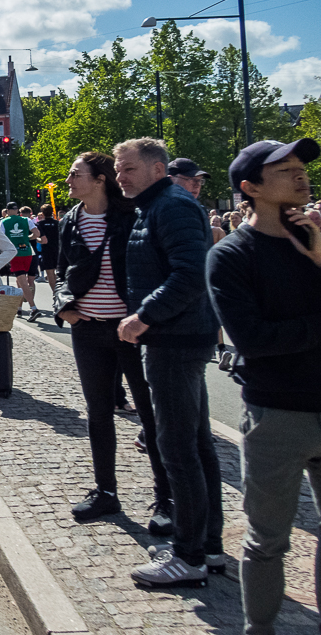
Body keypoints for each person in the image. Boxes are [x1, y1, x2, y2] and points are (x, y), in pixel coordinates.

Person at [206, 138, 321, 631]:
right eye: (286, 169)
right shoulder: (232, 255)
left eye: (302, 167)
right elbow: (254, 339)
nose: (301, 175)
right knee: (268, 540)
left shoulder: (314, 241)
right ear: (249, 188)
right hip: (277, 414)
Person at [115, 138, 223, 588]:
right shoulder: (158, 203)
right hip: (179, 337)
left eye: (128, 169)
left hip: (175, 340)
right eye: (118, 170)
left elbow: (190, 274)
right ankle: (207, 546)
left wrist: (144, 316)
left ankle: (189, 555)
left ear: (157, 170)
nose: (120, 176)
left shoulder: (171, 206)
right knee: (197, 447)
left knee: (178, 450)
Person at [53, 153, 171, 535]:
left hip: (132, 330)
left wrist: (143, 316)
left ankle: (165, 497)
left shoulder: (130, 215)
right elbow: (58, 274)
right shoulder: (70, 220)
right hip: (87, 330)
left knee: (149, 415)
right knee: (98, 412)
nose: (69, 180)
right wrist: (63, 308)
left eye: (75, 174)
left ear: (100, 179)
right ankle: (106, 491)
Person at [0, 203, 42, 322]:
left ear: (7, 211)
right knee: (20, 280)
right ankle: (19, 307)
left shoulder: (4, 222)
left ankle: (33, 308)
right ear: (17, 210)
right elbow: (37, 234)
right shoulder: (26, 219)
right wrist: (27, 238)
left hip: (15, 254)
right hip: (27, 252)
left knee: (23, 282)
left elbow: (0, 237)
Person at [35, 204, 61, 301]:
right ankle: (60, 291)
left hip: (47, 251)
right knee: (58, 274)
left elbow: (43, 240)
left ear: (42, 213)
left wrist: (37, 240)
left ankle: (55, 294)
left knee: (50, 274)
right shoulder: (58, 223)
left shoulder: (40, 224)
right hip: (58, 250)